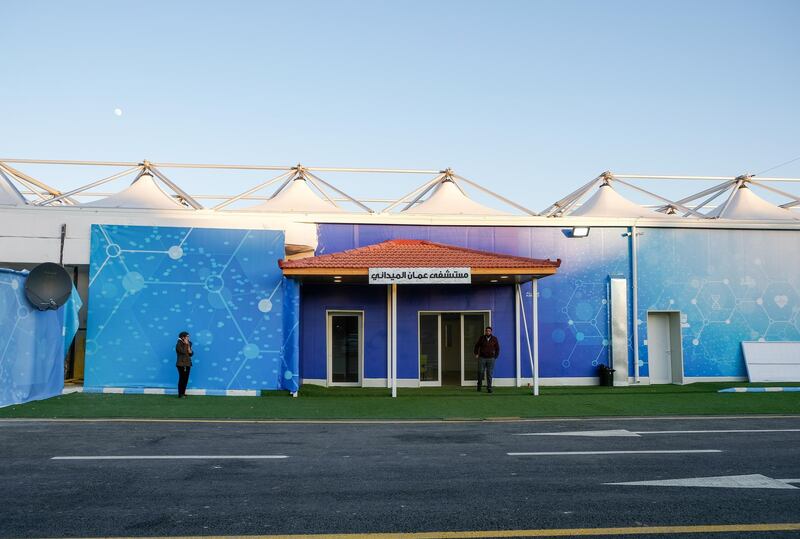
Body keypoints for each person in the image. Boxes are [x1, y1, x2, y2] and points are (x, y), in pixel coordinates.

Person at [474, 326, 499, 393]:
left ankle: (489, 388)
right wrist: (476, 353)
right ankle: (479, 386)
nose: (488, 332)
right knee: (480, 372)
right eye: (487, 331)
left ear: (491, 332)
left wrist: (495, 357)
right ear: (485, 331)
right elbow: (477, 346)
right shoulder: (482, 338)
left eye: (489, 331)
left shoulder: (494, 339)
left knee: (489, 374)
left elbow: (497, 348)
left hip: (491, 359)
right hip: (482, 358)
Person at [175, 331, 193, 398]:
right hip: (181, 364)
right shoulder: (178, 344)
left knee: (186, 379)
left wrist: (189, 347)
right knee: (182, 379)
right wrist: (186, 344)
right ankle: (180, 394)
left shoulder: (189, 343)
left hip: (188, 363)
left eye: (188, 336)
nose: (188, 338)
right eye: (187, 336)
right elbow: (182, 351)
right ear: (183, 337)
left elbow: (190, 354)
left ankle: (183, 393)